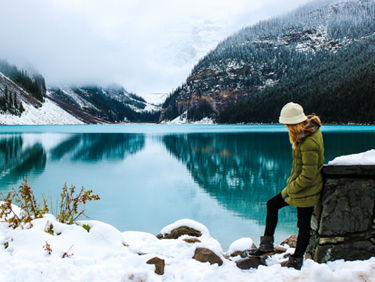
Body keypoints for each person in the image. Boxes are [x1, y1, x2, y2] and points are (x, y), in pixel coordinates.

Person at [244, 102, 324, 270]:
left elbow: (308, 175)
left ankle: (296, 259)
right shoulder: (306, 133)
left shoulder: (308, 141)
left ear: (294, 123)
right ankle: (267, 246)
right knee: (272, 204)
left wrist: (290, 188)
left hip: (307, 190)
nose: (286, 128)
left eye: (288, 125)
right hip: (300, 187)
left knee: (303, 226)